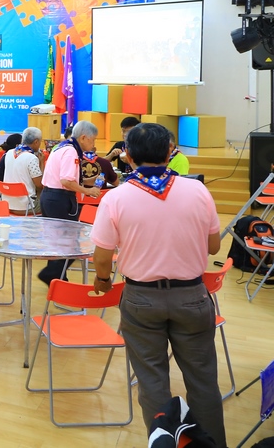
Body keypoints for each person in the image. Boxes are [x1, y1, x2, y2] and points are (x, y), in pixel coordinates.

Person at [90, 123, 225, 446]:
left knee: (152, 382)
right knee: (203, 380)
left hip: (141, 298)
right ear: (169, 152)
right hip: (192, 296)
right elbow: (214, 247)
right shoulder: (197, 190)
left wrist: (103, 280)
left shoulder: (116, 197)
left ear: (128, 156)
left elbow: (102, 257)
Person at [37, 120, 102, 284]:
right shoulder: (71, 152)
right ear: (83, 137)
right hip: (59, 198)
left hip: (49, 196)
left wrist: (87, 182)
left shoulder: (61, 146)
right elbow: (66, 181)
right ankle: (50, 273)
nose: (94, 144)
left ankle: (58, 278)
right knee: (71, 243)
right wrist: (87, 191)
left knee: (56, 242)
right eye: (93, 140)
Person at [2, 127, 44, 214]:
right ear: (36, 142)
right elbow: (40, 184)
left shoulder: (9, 153)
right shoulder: (31, 158)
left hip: (6, 204)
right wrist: (42, 162)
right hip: (26, 207)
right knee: (53, 202)